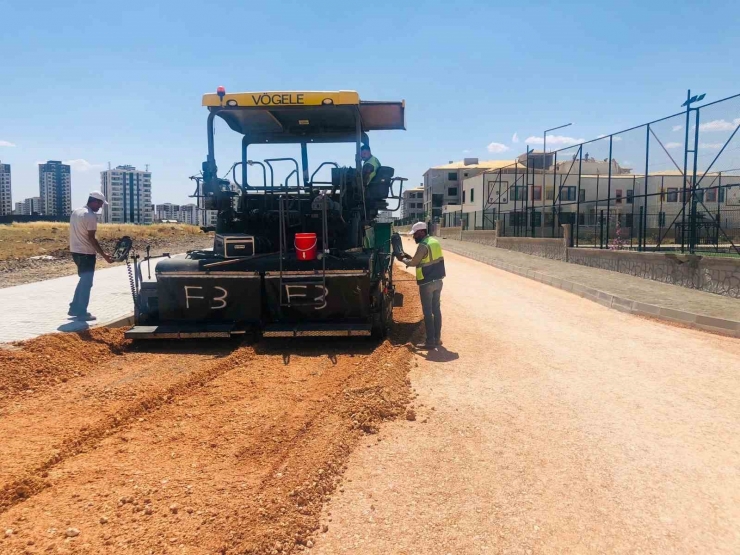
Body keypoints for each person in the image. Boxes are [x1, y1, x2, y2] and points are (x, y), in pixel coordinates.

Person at [396, 221, 445, 349]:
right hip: (438, 280)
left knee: (428, 312)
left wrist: (402, 259)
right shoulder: (434, 242)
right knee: (436, 310)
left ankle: (429, 341)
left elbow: (414, 262)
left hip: (427, 282)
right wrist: (411, 259)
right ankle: (437, 339)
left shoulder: (423, 245)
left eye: (416, 234)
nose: (414, 237)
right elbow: (425, 259)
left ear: (422, 232)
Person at [68, 191, 114, 321]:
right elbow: (92, 239)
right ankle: (81, 312)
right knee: (87, 283)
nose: (100, 207)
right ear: (94, 201)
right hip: (86, 253)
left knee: (83, 280)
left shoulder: (76, 212)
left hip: (75, 251)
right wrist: (104, 255)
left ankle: (74, 308)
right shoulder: (90, 216)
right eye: (100, 204)